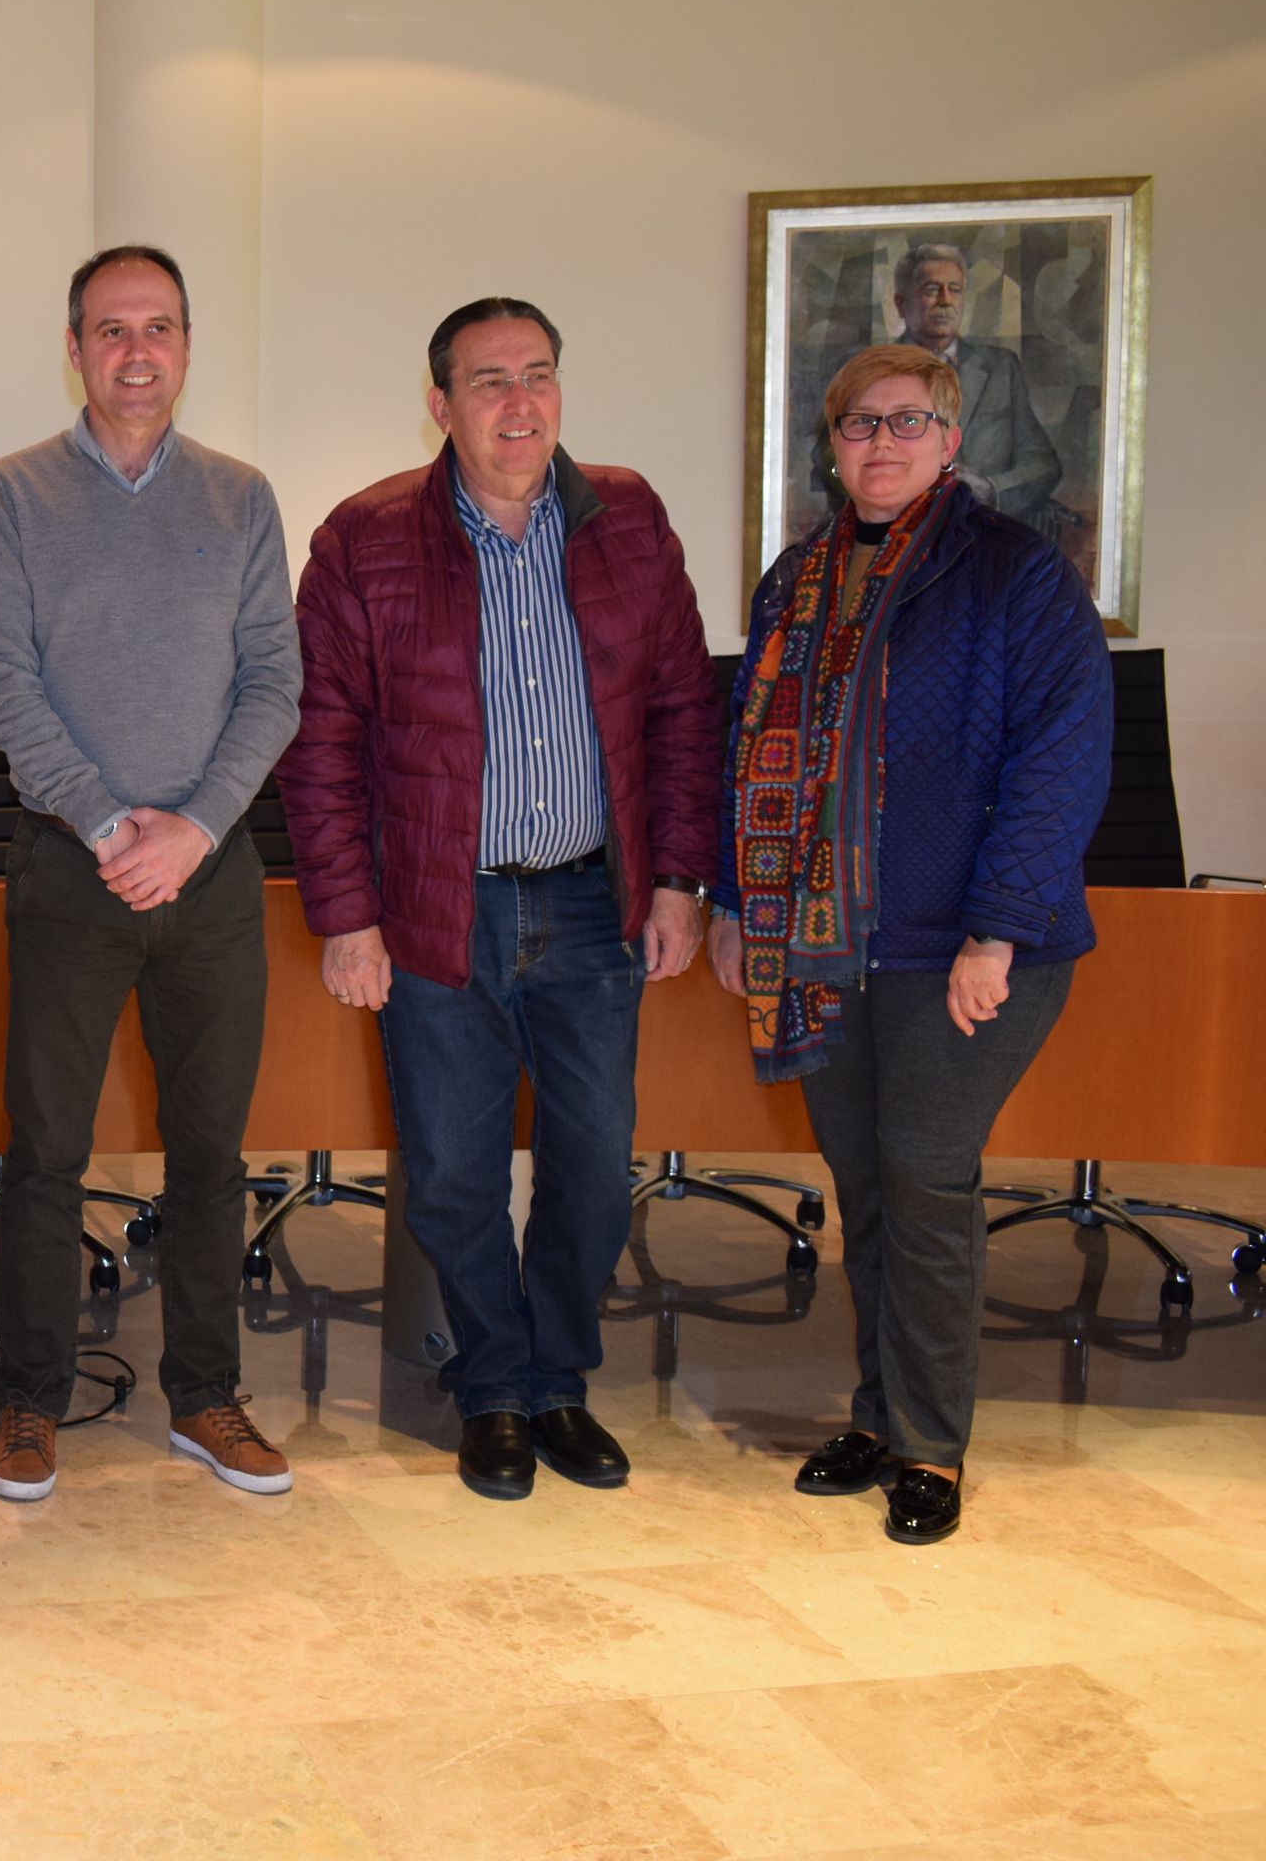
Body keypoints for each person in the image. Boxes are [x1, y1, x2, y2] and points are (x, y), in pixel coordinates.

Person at [280, 298, 716, 1503]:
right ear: (439, 404)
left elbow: (683, 710)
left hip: (592, 905)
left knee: (590, 1160)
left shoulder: (626, 516)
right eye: (486, 382)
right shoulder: (364, 538)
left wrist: (679, 876)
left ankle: (556, 1380)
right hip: (436, 913)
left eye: (536, 376)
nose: (517, 404)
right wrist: (344, 913)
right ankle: (490, 1385)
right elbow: (319, 745)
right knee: (455, 1172)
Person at [714, 344, 1110, 1546]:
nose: (880, 442)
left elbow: (1059, 763)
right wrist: (740, 899)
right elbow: (751, 751)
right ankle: (880, 1415)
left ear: (949, 437)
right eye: (856, 425)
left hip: (970, 947)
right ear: (831, 448)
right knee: (869, 1187)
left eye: (907, 421)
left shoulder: (1016, 575)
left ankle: (931, 1443)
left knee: (927, 1179)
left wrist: (997, 928)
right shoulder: (794, 580)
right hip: (829, 948)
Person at [0, 245, 302, 1504]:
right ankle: (29, 1402)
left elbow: (275, 680)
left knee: (209, 1152)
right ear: (74, 348)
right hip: (68, 868)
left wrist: (194, 827)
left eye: (157, 327)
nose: (136, 351)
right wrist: (112, 825)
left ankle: (206, 1396)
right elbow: (2, 683)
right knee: (44, 1150)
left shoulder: (242, 498)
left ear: (187, 346)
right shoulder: (12, 494)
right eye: (111, 329)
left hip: (211, 875)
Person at [885, 243, 1066, 530]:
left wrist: (990, 490)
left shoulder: (1001, 368)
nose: (945, 300)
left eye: (955, 289)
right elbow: (837, 466)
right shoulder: (870, 372)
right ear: (901, 304)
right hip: (896, 537)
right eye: (932, 289)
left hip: (985, 535)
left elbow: (1043, 465)